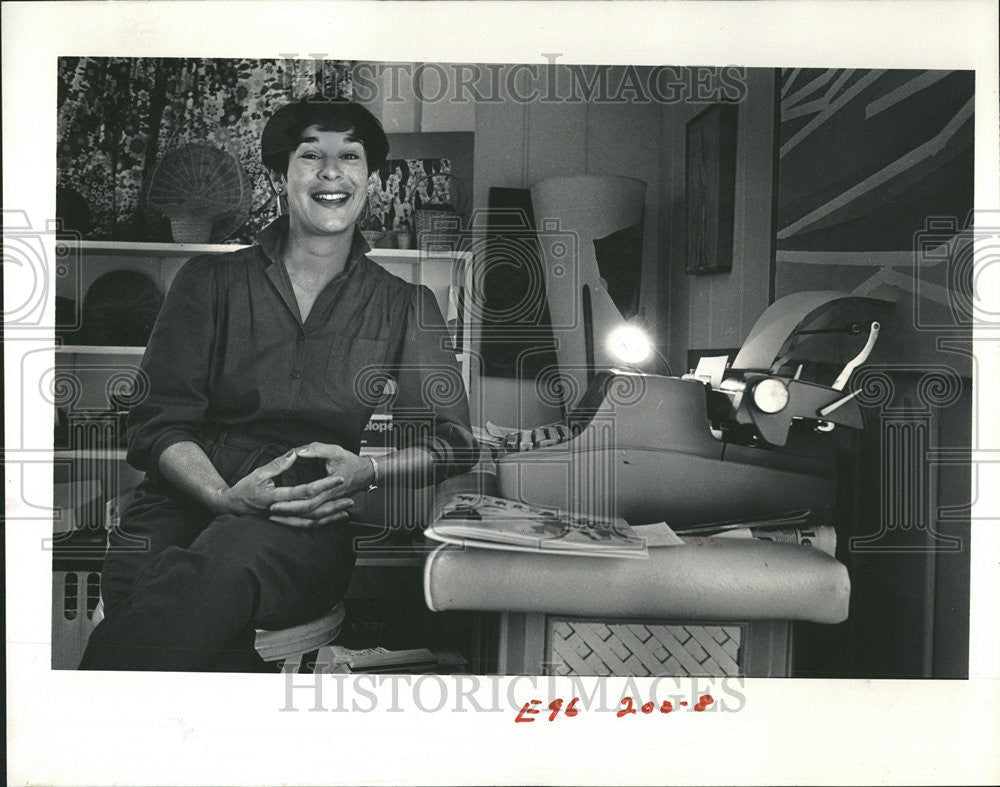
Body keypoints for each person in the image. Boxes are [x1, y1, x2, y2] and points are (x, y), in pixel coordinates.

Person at [79, 96, 476, 671]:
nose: (331, 171)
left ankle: (85, 733)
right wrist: (221, 495)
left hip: (304, 514)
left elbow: (454, 441)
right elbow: (156, 420)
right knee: (151, 590)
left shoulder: (404, 304)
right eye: (311, 154)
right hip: (179, 503)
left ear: (371, 178)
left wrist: (368, 471)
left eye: (352, 157)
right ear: (281, 173)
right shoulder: (208, 280)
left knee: (229, 560)